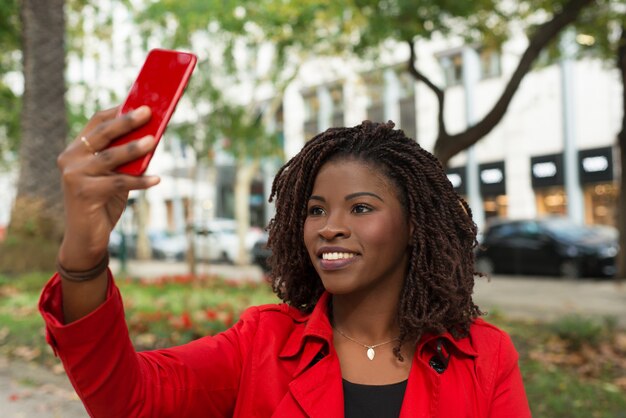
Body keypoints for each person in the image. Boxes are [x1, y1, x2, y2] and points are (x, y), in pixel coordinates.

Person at [39, 106, 531, 418]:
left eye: (360, 208)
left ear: (413, 227)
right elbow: (127, 400)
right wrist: (83, 256)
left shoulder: (484, 357)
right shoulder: (261, 344)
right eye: (316, 210)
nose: (328, 227)